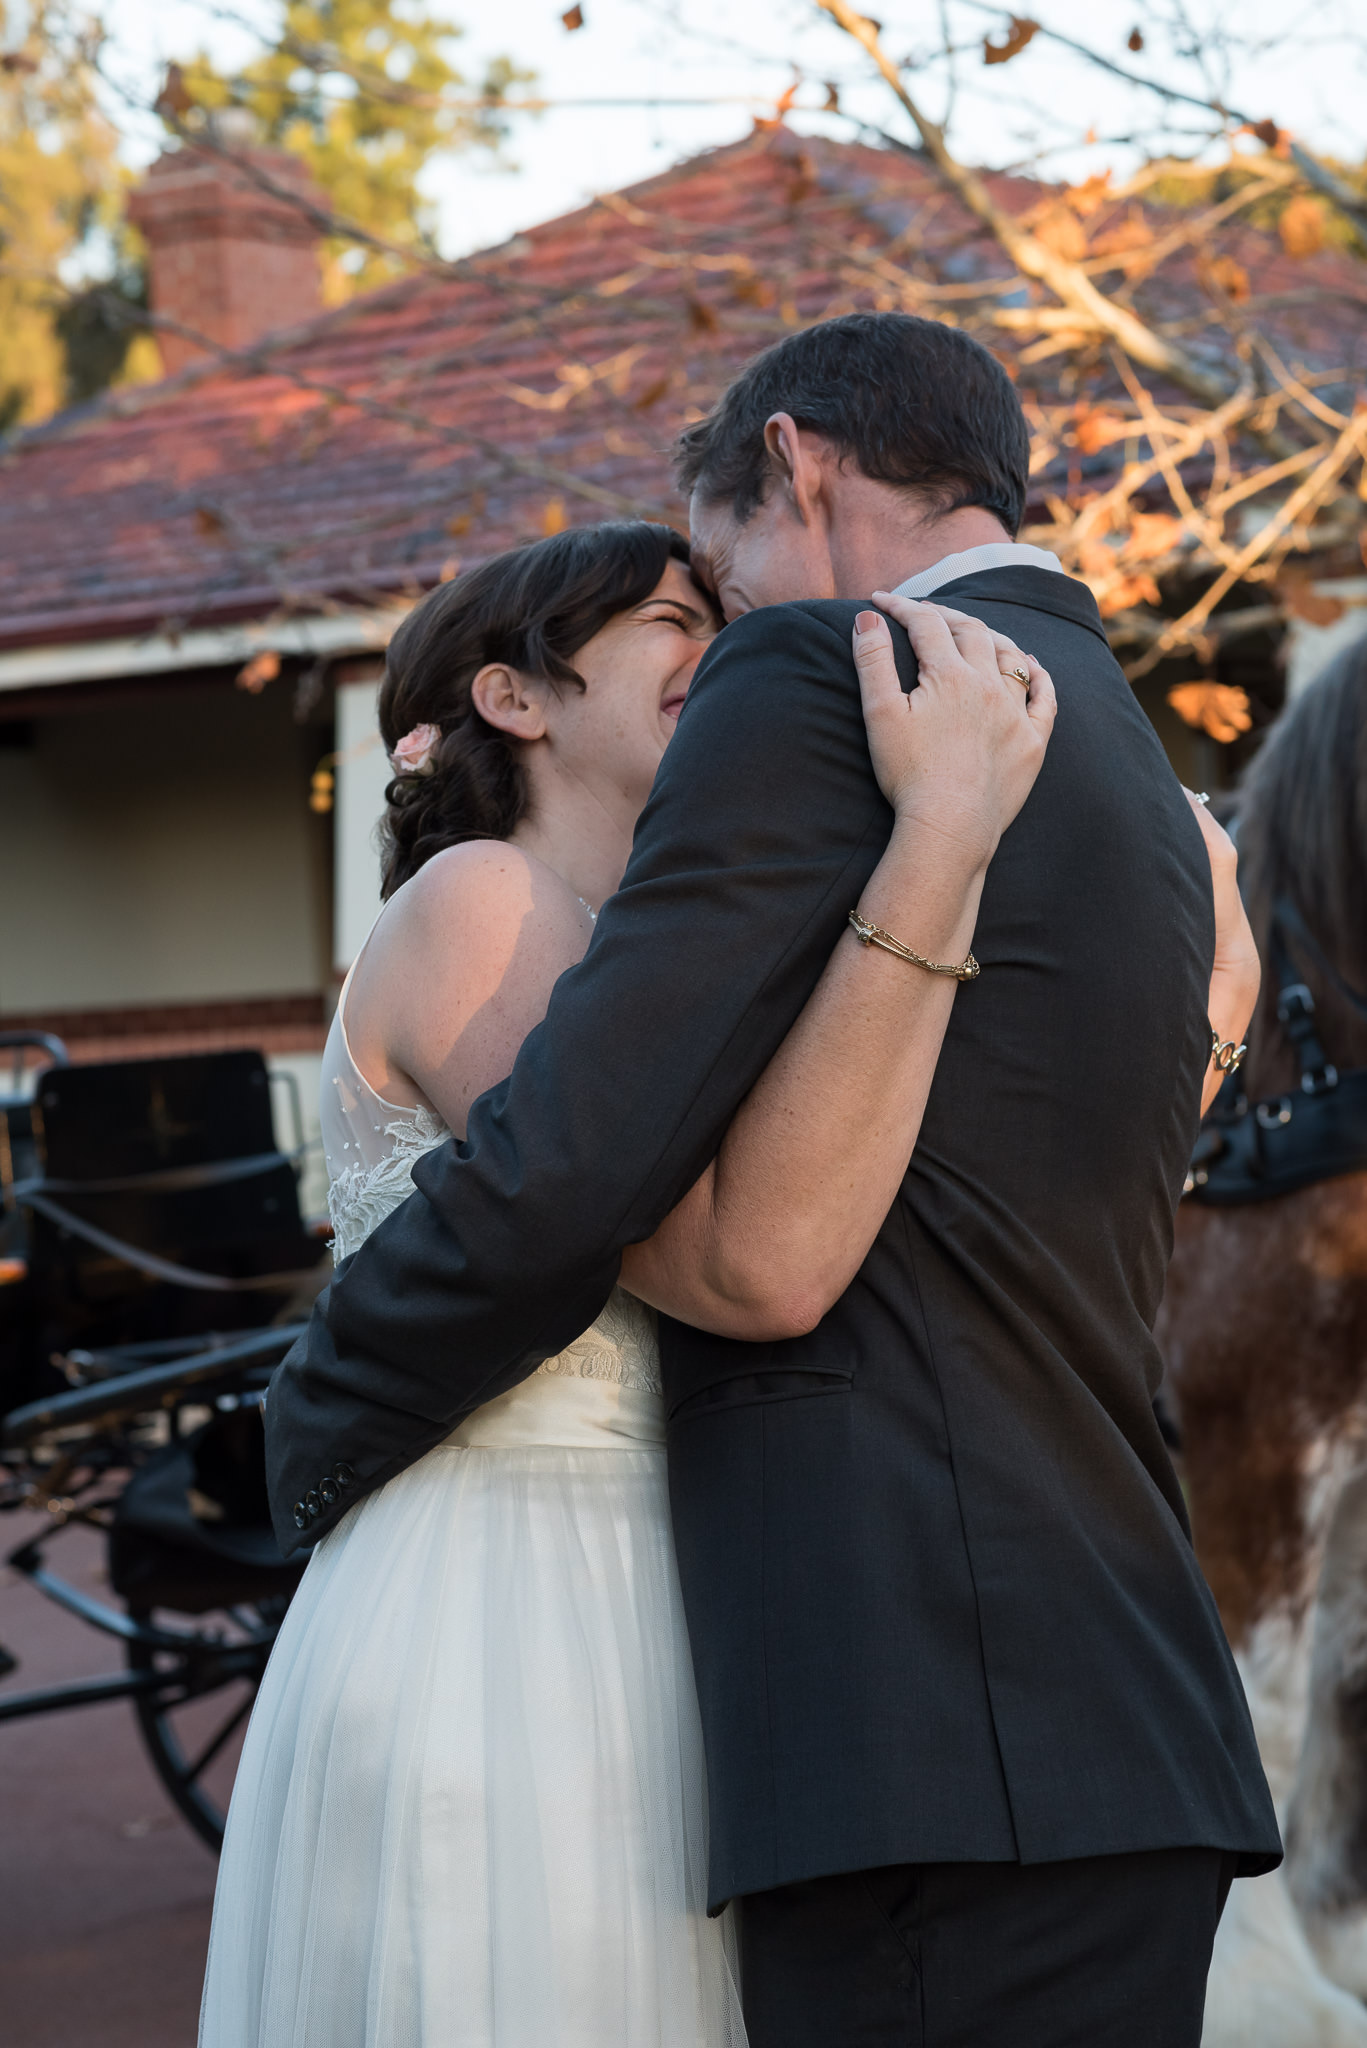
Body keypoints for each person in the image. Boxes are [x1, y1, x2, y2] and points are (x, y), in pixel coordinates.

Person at [265, 312, 1281, 2047]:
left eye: (709, 578)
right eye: (677, 613)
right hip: (1083, 1709)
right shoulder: (1127, 755)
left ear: (799, 462)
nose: (724, 620)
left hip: (910, 1729)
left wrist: (313, 1418)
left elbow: (657, 1216)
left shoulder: (827, 676)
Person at [202, 516, 1060, 2046]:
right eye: (673, 617)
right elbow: (710, 1242)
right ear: (516, 699)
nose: (715, 651)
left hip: (679, 1577)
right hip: (508, 1593)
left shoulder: (653, 945)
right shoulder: (482, 901)